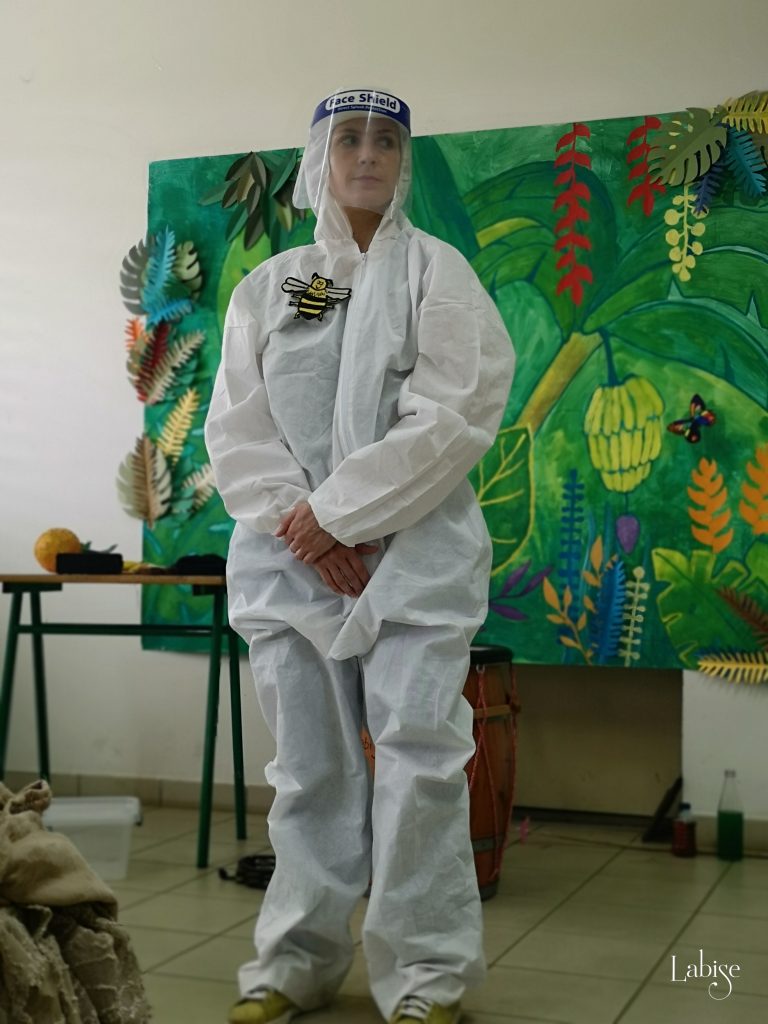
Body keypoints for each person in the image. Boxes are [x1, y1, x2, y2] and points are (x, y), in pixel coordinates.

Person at [204, 87, 515, 1024]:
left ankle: (425, 978)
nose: (368, 155)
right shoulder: (272, 287)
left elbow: (455, 413)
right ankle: (293, 965)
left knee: (421, 764)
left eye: (386, 140)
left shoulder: (438, 273)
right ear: (320, 158)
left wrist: (341, 516)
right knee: (309, 772)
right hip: (289, 567)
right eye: (349, 139)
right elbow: (239, 427)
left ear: (405, 159)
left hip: (414, 562)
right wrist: (302, 526)